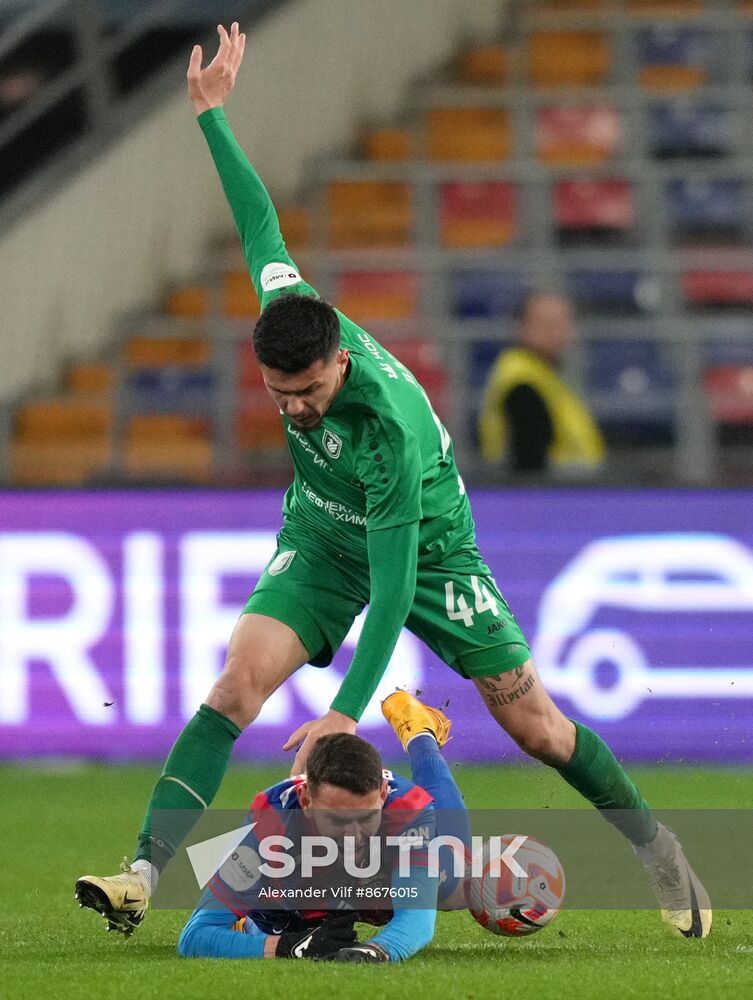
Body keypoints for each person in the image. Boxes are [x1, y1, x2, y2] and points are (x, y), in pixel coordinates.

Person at [75, 23, 710, 941]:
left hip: (427, 547)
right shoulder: (291, 312)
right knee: (233, 691)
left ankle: (655, 847)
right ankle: (139, 874)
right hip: (325, 537)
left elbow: (396, 587)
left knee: (536, 727)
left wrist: (341, 704)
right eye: (276, 394)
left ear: (338, 361)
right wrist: (212, 115)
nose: (292, 410)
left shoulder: (390, 438)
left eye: (305, 392)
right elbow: (261, 224)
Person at [177, 692, 467, 963]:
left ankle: (420, 734)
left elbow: (415, 923)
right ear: (306, 800)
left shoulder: (406, 812)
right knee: (272, 921)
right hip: (293, 899)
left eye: (366, 818)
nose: (353, 835)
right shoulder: (271, 822)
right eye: (337, 820)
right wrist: (287, 946)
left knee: (455, 874)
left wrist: (375, 951)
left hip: (373, 882)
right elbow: (195, 936)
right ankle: (248, 914)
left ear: (381, 796)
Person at [477, 293, 605, 475]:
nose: (558, 333)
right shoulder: (522, 383)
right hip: (545, 497)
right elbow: (529, 460)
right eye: (548, 324)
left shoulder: (543, 375)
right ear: (522, 327)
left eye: (564, 324)